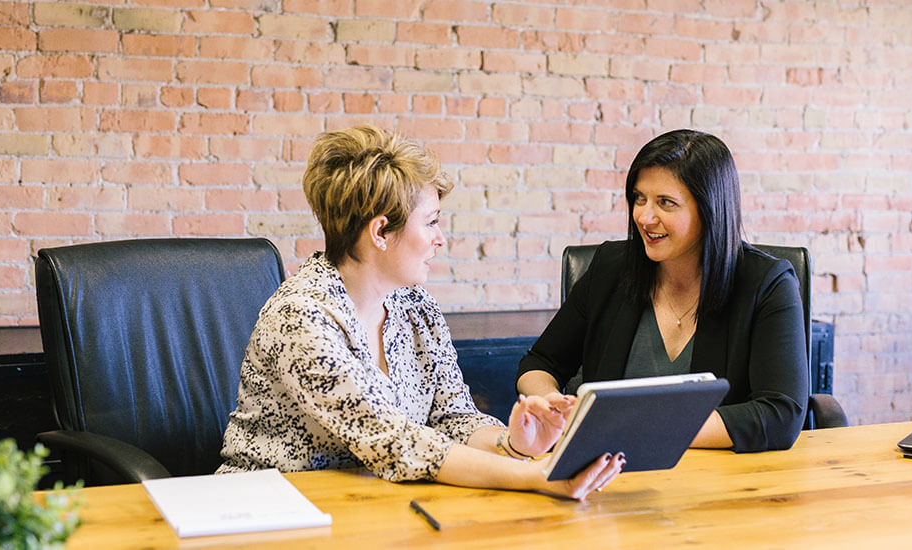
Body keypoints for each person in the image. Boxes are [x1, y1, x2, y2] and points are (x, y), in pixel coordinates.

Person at [217, 125, 624, 499]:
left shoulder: (415, 305)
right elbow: (396, 441)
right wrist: (539, 476)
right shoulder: (301, 317)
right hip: (267, 509)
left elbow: (453, 417)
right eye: (431, 222)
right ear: (380, 232)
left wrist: (514, 444)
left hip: (372, 504)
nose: (440, 239)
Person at [516, 129, 809, 453]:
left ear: (710, 209)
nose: (644, 216)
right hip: (607, 476)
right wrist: (549, 403)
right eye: (639, 199)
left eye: (665, 203)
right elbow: (539, 362)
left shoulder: (767, 284)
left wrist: (637, 429)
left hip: (720, 480)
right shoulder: (611, 268)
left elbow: (781, 414)